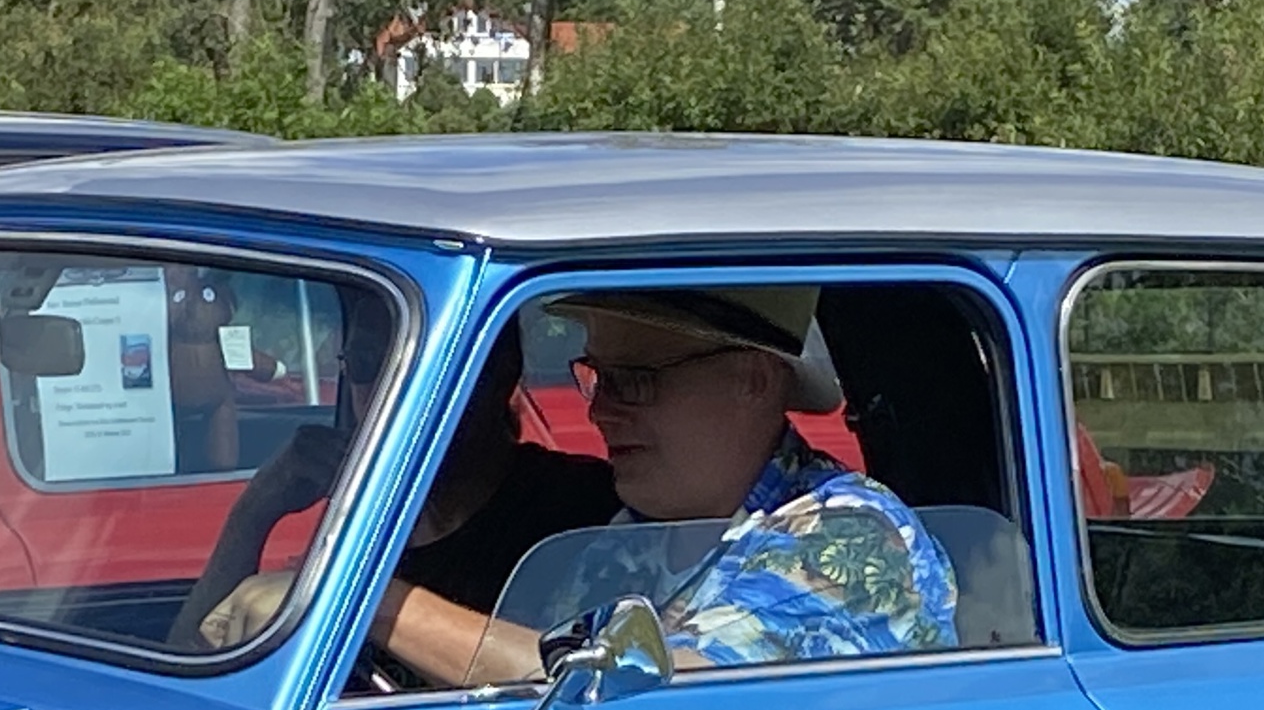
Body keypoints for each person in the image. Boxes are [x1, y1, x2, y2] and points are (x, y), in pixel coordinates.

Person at [361, 285, 958, 687]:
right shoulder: (626, 540)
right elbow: (521, 684)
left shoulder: (849, 535)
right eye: (598, 378)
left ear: (752, 379)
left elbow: (648, 701)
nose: (600, 412)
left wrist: (374, 604)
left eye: (635, 381)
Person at [177, 315, 617, 653]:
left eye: (420, 367)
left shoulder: (581, 509)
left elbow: (569, 680)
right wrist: (255, 512)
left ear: (502, 370)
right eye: (366, 363)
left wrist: (353, 599)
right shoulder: (363, 519)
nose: (385, 389)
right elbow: (191, 661)